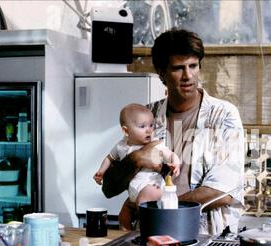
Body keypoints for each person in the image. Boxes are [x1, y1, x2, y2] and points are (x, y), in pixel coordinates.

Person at [102, 28, 245, 235]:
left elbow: (222, 192)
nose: (188, 76)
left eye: (193, 66)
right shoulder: (146, 115)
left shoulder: (224, 115)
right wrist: (136, 159)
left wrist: (155, 207)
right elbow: (109, 188)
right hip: (150, 235)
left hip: (205, 237)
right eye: (178, 68)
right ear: (162, 72)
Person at [94, 103, 180, 206]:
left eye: (151, 125)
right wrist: (101, 172)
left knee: (150, 197)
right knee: (143, 204)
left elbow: (171, 155)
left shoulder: (156, 144)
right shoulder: (121, 146)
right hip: (135, 189)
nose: (149, 130)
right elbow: (109, 158)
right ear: (126, 131)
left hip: (153, 184)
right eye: (142, 126)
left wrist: (176, 164)